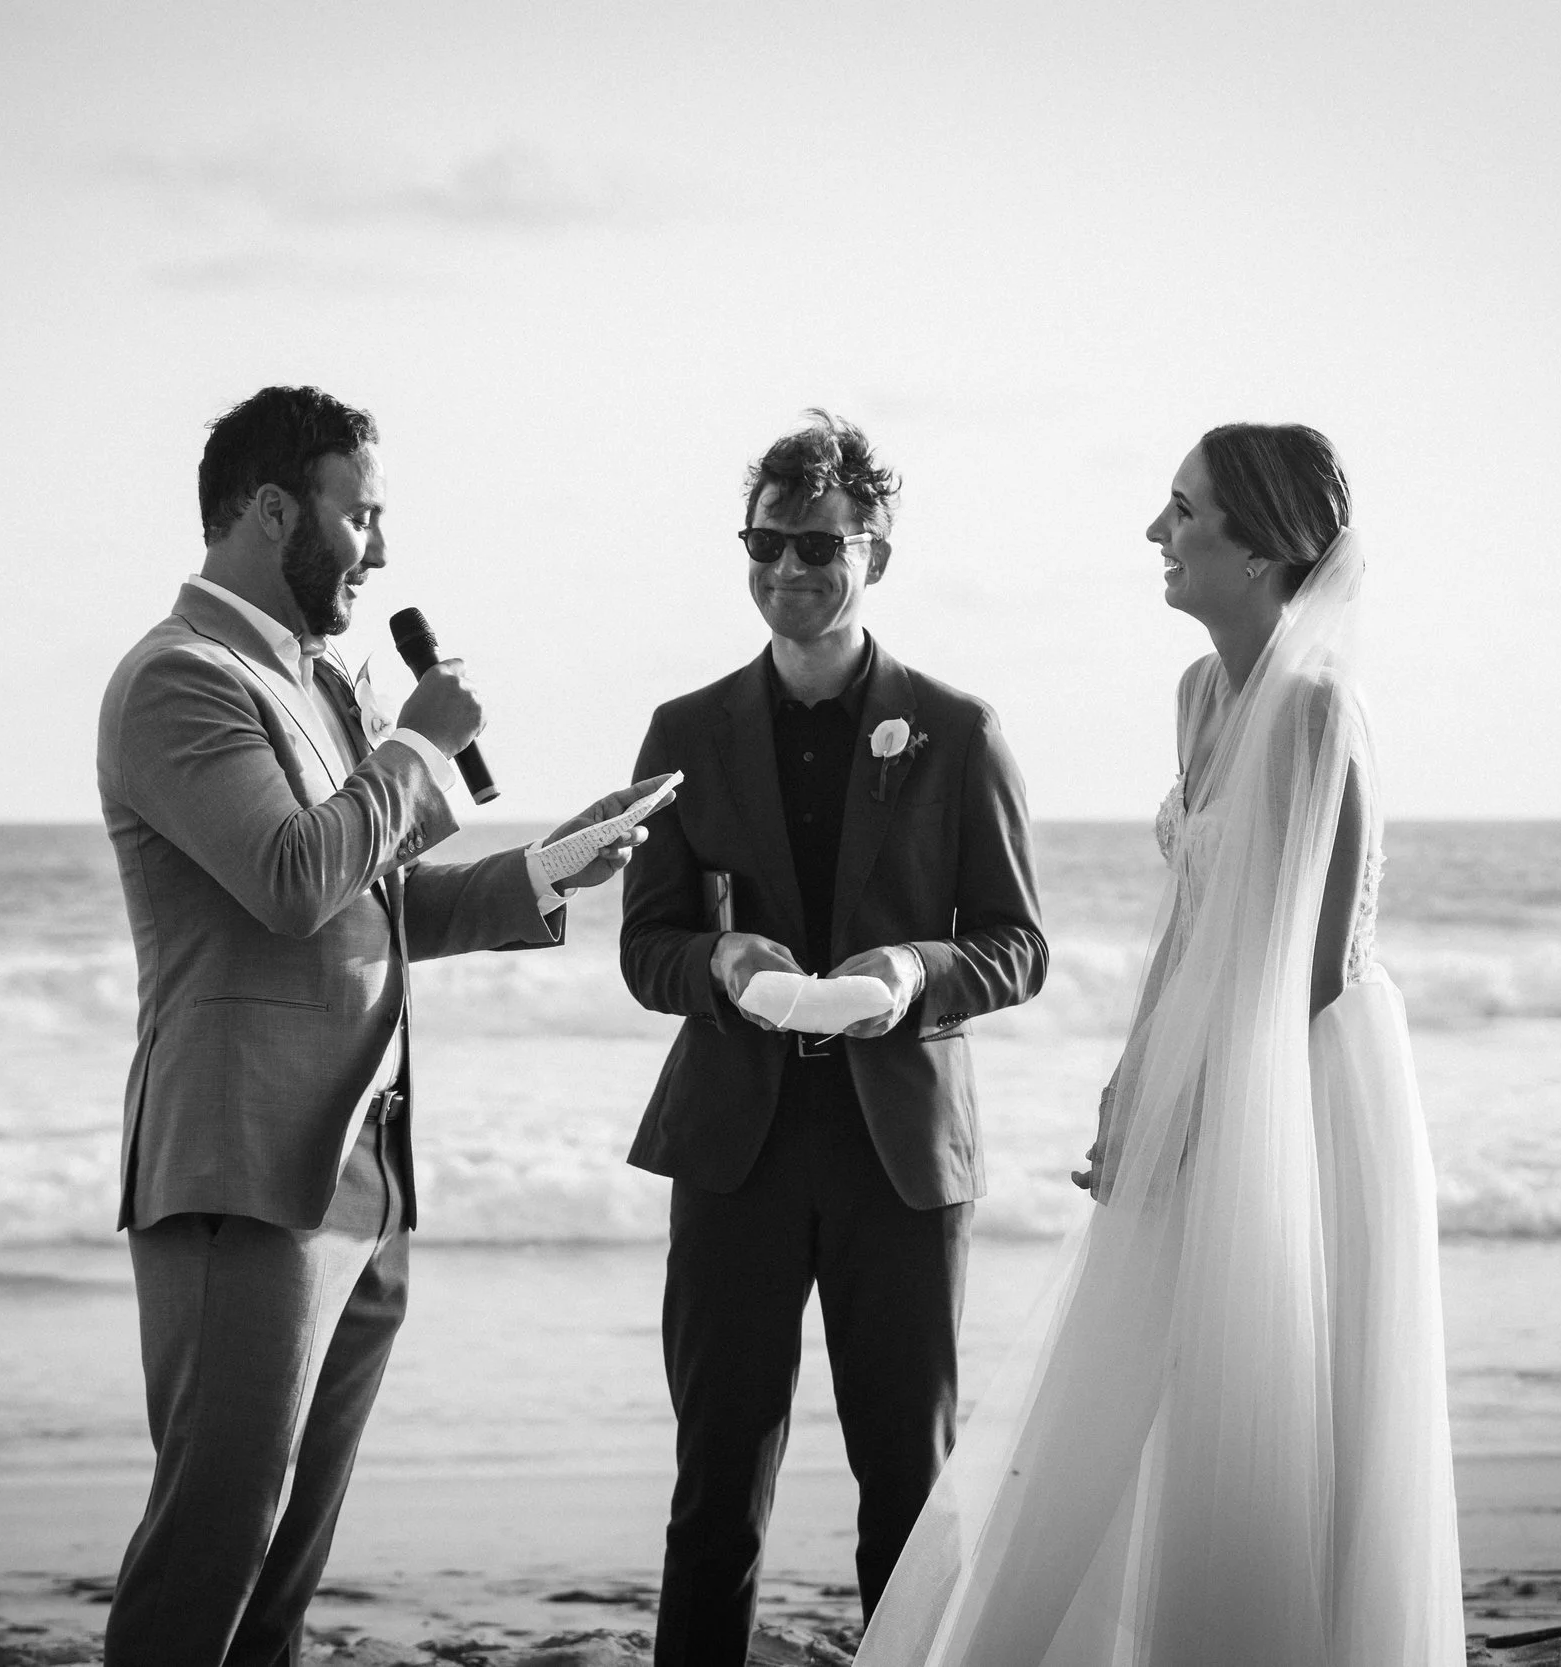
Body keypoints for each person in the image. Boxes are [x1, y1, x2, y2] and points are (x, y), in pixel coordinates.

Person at [855, 424, 1464, 1666]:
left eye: (1182, 512)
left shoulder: (1317, 712)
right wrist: (1129, 1087)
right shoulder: (1199, 695)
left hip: (1300, 1088)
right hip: (1200, 1065)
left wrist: (1202, 1106)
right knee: (1138, 1373)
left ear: (1261, 549)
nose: (1155, 533)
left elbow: (1316, 961)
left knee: (1278, 1395)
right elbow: (1188, 918)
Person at [96, 384, 667, 1667]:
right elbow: (295, 877)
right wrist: (412, 745)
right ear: (268, 510)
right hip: (243, 1167)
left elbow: (376, 900)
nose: (383, 551)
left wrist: (546, 867)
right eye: (363, 516)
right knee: (213, 1539)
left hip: (362, 1165)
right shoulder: (177, 680)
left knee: (287, 1559)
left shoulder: (311, 682)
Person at [618, 411, 1049, 1667]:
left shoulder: (958, 728)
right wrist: (722, 964)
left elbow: (1017, 946)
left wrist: (913, 969)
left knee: (907, 1489)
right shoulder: (684, 730)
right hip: (733, 1149)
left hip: (897, 1160)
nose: (788, 568)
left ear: (876, 554)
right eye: (765, 541)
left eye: (817, 543)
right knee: (714, 1489)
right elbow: (646, 949)